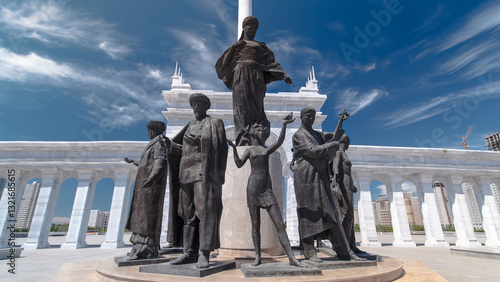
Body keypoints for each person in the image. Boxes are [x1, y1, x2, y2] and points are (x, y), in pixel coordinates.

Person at [228, 113, 302, 267]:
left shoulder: (265, 150)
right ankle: (257, 257)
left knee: (280, 224)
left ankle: (291, 257)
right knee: (256, 225)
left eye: (263, 130)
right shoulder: (251, 150)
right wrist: (234, 148)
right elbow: (239, 164)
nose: (262, 132)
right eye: (259, 130)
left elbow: (280, 141)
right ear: (253, 133)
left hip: (266, 190)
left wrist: (284, 125)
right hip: (253, 188)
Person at [292, 107, 363, 262]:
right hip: (306, 178)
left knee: (331, 213)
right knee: (309, 213)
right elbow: (311, 150)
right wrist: (329, 146)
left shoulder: (317, 134)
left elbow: (330, 146)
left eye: (313, 116)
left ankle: (345, 252)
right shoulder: (298, 135)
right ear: (302, 117)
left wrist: (339, 125)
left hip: (321, 177)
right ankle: (309, 252)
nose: (311, 118)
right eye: (308, 116)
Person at [169, 93, 228, 268]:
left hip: (204, 173)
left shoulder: (214, 123)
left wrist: (201, 141)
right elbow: (182, 148)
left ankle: (204, 253)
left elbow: (222, 147)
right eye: (193, 105)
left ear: (205, 107)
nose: (195, 108)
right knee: (186, 214)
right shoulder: (188, 126)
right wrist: (169, 146)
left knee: (205, 213)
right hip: (185, 174)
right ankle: (188, 252)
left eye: (199, 104)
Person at [216, 16, 293, 146]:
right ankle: (244, 139)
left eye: (255, 28)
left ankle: (257, 137)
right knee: (240, 107)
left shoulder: (260, 46)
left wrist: (284, 75)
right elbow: (224, 63)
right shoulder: (237, 45)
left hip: (257, 77)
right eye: (249, 26)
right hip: (240, 76)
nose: (252, 29)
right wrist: (234, 47)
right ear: (244, 27)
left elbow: (270, 63)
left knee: (257, 108)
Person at [124, 120, 170, 260]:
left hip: (151, 186)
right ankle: (138, 247)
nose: (147, 133)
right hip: (145, 185)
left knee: (147, 217)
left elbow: (161, 160)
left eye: (149, 130)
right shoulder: (153, 143)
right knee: (140, 216)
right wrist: (134, 161)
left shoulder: (160, 141)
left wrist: (152, 179)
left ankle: (146, 249)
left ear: (155, 130)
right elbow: (147, 162)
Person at [332, 134, 365, 254]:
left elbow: (347, 172)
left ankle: (351, 244)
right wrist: (336, 177)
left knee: (351, 215)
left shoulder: (344, 154)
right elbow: (335, 167)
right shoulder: (338, 152)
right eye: (348, 141)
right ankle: (342, 245)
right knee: (345, 214)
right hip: (342, 184)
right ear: (345, 141)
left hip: (348, 183)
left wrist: (352, 186)